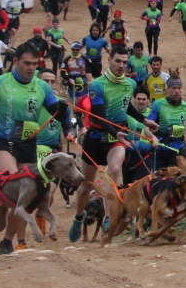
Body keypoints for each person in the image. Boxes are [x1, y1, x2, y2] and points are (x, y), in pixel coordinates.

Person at [0, 43, 71, 255]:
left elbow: (56, 113)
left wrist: (61, 112)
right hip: (2, 142)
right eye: (26, 63)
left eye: (35, 64)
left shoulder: (42, 87)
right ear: (15, 61)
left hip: (28, 145)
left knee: (26, 196)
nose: (31, 68)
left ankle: (7, 240)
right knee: (17, 186)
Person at [68, 46, 159, 242]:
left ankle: (109, 218)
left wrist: (144, 121)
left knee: (115, 170)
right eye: (118, 61)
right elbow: (99, 117)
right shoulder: (97, 85)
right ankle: (78, 217)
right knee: (86, 185)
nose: (121, 65)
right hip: (96, 138)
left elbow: (127, 108)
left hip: (116, 140)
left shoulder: (130, 84)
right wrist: (114, 132)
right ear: (109, 60)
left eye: (125, 62)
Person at [33, 68, 76, 234]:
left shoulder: (61, 105)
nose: (50, 85)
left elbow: (67, 126)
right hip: (31, 151)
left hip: (52, 153)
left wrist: (70, 133)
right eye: (46, 81)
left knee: (49, 193)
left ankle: (41, 215)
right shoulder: (31, 102)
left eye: (52, 81)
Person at [147, 75, 186, 169]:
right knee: (160, 179)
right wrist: (152, 137)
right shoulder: (158, 105)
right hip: (160, 148)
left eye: (179, 88)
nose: (177, 91)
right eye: (173, 88)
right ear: (167, 89)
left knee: (175, 179)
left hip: (178, 149)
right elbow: (147, 125)